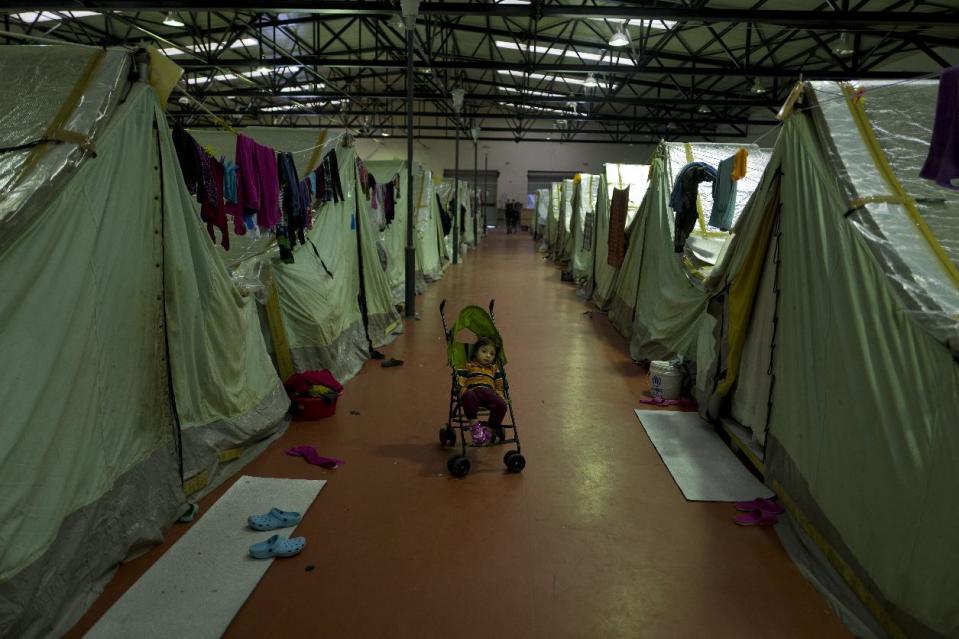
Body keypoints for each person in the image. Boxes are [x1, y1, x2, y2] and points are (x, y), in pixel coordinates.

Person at [456, 337, 508, 445]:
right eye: (484, 351)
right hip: (474, 392)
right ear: (475, 352)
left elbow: (499, 385)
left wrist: (500, 394)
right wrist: (463, 390)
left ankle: (488, 431)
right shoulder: (468, 366)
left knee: (502, 405)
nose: (488, 355)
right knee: (467, 396)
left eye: (492, 354)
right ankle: (475, 426)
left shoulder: (494, 369)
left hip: (489, 394)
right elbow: (461, 380)